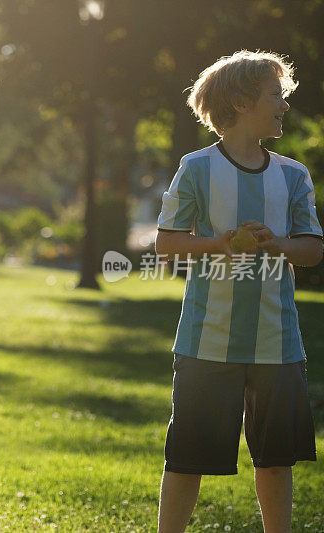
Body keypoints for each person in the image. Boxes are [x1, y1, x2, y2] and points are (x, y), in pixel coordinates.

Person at [155, 50, 322, 532]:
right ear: (242, 99)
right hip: (207, 340)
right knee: (187, 457)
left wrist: (277, 243)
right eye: (276, 95)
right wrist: (216, 244)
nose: (284, 105)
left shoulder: (293, 174)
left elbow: (312, 250)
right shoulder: (197, 167)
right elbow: (167, 244)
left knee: (275, 461)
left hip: (277, 341)